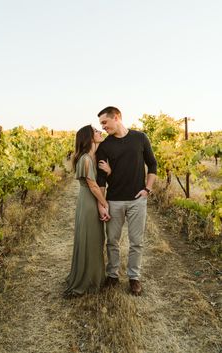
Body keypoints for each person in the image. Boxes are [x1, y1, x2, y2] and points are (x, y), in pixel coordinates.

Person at [96, 106, 157, 296]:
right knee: (112, 241)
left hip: (137, 201)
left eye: (105, 122)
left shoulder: (140, 138)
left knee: (136, 242)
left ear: (117, 117)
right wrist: (102, 204)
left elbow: (153, 164)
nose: (103, 127)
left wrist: (147, 188)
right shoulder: (105, 146)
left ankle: (134, 278)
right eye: (101, 124)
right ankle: (113, 275)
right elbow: (100, 179)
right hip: (114, 200)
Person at [64, 125, 111, 297]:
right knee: (89, 238)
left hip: (92, 200)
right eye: (96, 131)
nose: (100, 132)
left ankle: (94, 277)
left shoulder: (94, 156)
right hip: (89, 201)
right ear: (89, 137)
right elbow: (92, 185)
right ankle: (85, 281)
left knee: (96, 238)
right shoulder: (85, 159)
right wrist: (104, 203)